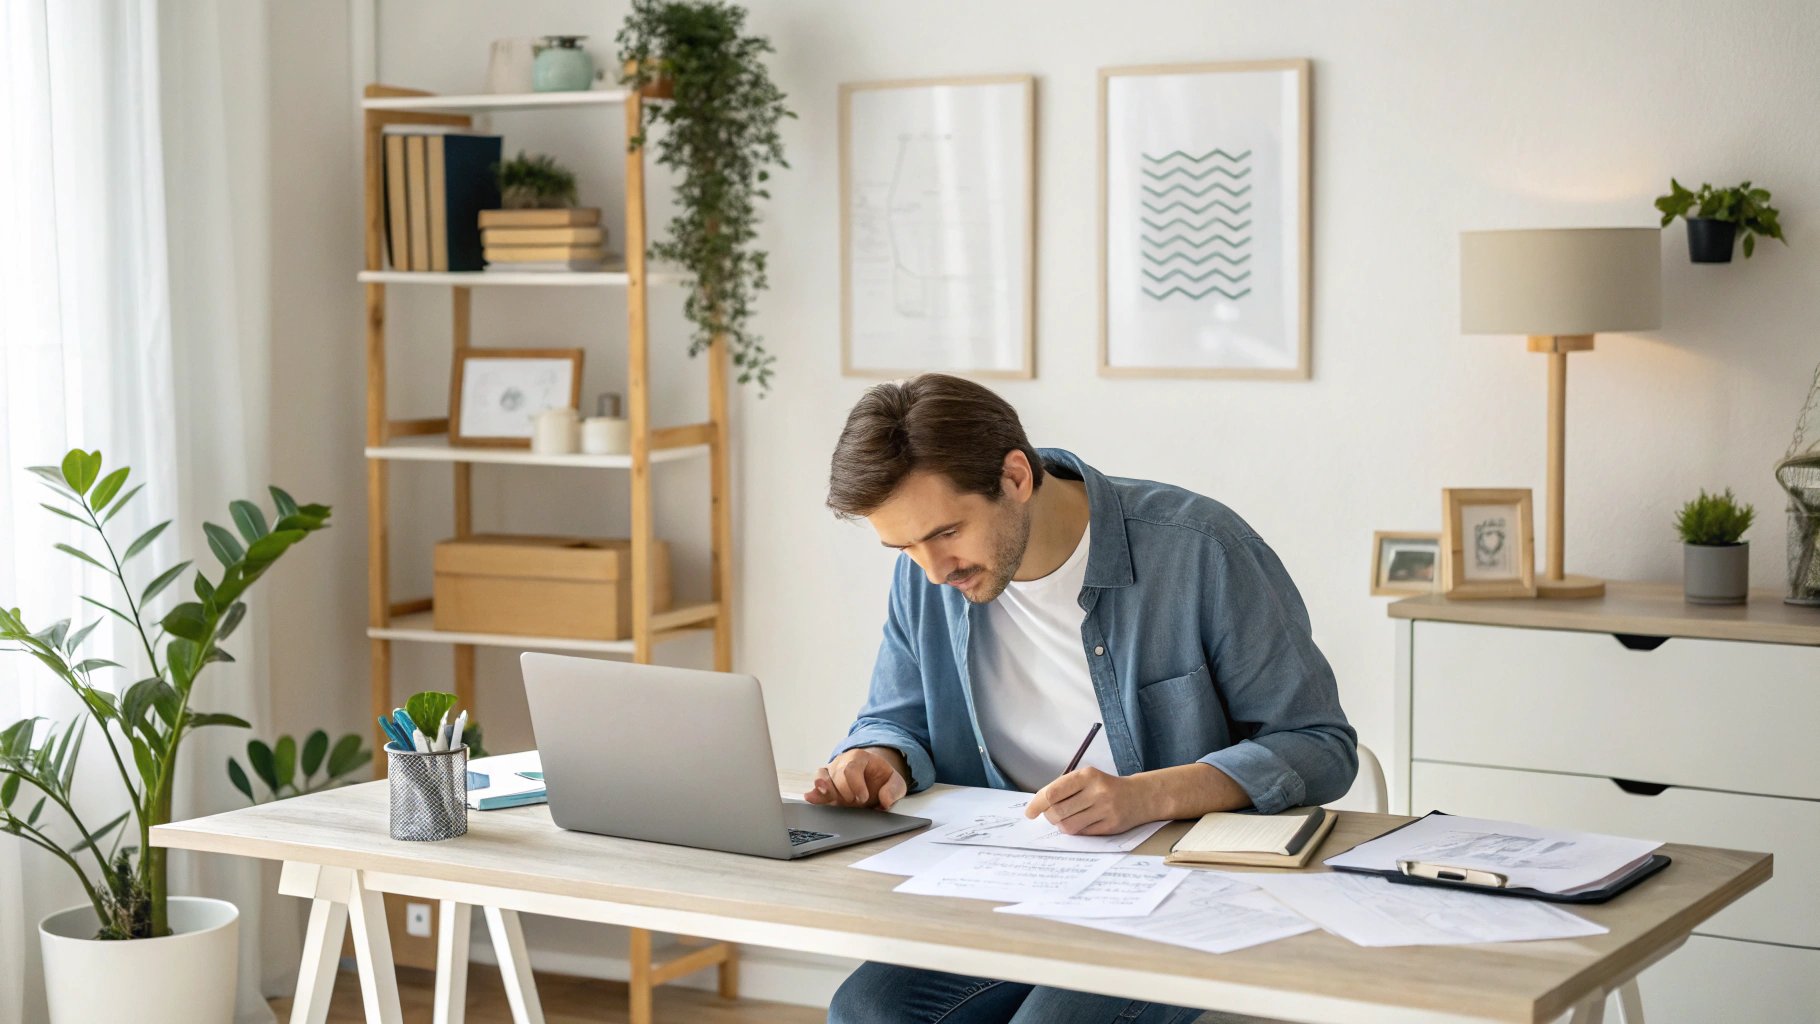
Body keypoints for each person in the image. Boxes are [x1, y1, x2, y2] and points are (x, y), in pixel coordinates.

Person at [805, 373, 1357, 1024]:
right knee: (865, 1011)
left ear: (1016, 476)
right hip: (1008, 880)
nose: (933, 570)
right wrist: (878, 759)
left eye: (947, 532)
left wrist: (1150, 794)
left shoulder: (1200, 549)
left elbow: (1320, 747)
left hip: (1176, 887)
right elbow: (895, 718)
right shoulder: (925, 575)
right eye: (903, 547)